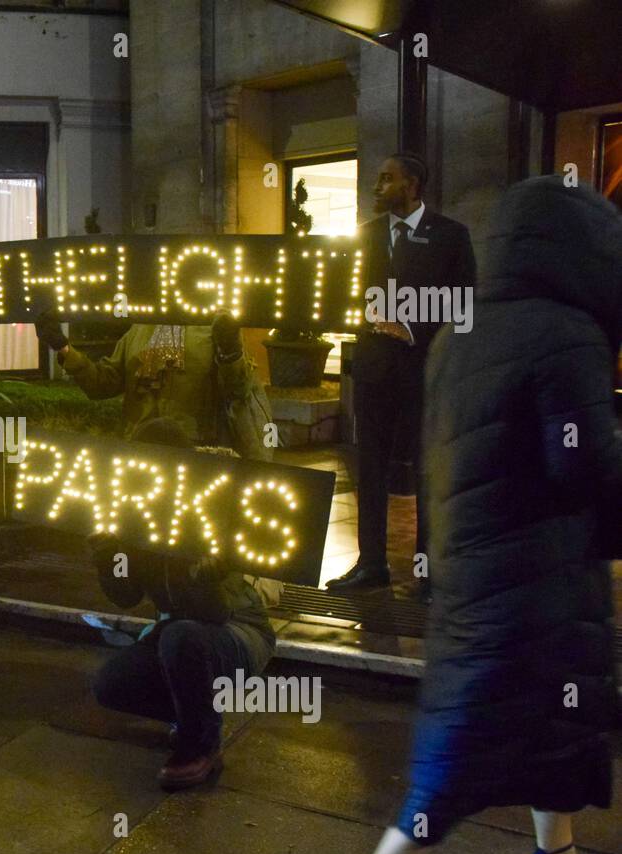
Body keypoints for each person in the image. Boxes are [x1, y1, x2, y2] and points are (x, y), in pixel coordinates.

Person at [351, 178, 621, 854]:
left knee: (525, 733)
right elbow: (582, 464)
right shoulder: (568, 331)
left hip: (475, 578)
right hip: (540, 586)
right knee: (464, 763)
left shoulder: (459, 335)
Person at [89, 418, 281, 790]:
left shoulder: (208, 509)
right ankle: (197, 714)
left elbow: (215, 613)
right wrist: (107, 556)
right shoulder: (136, 516)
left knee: (179, 637)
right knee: (109, 684)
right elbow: (126, 596)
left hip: (238, 629)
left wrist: (202, 575)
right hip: (176, 632)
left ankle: (200, 748)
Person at [327, 153, 476, 600]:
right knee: (368, 469)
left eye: (386, 179)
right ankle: (371, 565)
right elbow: (342, 294)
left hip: (423, 372)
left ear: (412, 184)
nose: (377, 187)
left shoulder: (451, 236)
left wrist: (411, 327)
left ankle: (428, 573)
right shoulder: (366, 237)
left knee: (429, 471)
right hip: (373, 373)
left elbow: (464, 310)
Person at [34, 308, 274, 461]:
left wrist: (231, 351)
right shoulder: (139, 330)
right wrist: (64, 348)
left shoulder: (212, 328)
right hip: (138, 449)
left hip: (195, 452)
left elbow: (238, 389)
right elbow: (102, 384)